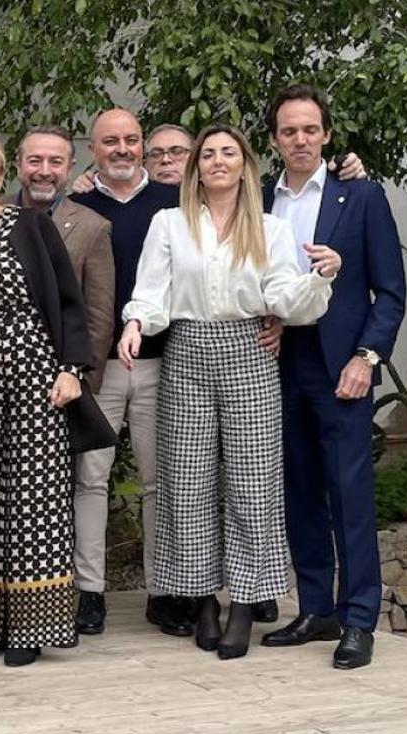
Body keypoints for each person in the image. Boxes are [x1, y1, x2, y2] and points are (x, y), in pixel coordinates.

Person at [119, 124, 338, 660]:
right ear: (197, 166)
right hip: (187, 352)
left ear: (244, 164)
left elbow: (285, 295)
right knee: (187, 482)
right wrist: (136, 323)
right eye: (209, 154)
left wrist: (319, 279)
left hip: (250, 352)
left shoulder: (270, 228)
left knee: (252, 482)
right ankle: (203, 602)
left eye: (229, 153)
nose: (218, 161)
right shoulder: (168, 223)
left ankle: (244, 603)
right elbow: (152, 289)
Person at [0, 132, 113, 667]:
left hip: (35, 376)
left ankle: (30, 629)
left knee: (34, 500)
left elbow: (67, 300)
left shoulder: (30, 226)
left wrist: (71, 369)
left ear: (1, 177)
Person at [259, 85, 406, 669]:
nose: (300, 139)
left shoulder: (361, 194)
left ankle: (359, 619)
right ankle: (317, 609)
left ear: (325, 134)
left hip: (342, 366)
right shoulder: (261, 200)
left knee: (350, 497)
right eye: (289, 131)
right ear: (274, 139)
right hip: (278, 362)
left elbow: (390, 292)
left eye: (310, 130)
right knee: (299, 495)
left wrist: (366, 358)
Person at [69, 109, 188, 636]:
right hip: (99, 370)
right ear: (92, 149)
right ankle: (88, 593)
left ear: (142, 145)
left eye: (131, 140)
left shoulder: (175, 202)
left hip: (166, 362)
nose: (122, 148)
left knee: (159, 482)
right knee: (89, 479)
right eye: (109, 141)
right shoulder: (76, 205)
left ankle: (161, 593)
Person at [11, 125, 116, 635]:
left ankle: (83, 594)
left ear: (71, 168)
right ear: (18, 165)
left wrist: (79, 379)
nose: (44, 171)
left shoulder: (92, 227)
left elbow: (99, 317)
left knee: (77, 488)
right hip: (2, 387)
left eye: (55, 161)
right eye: (35, 160)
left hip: (64, 385)